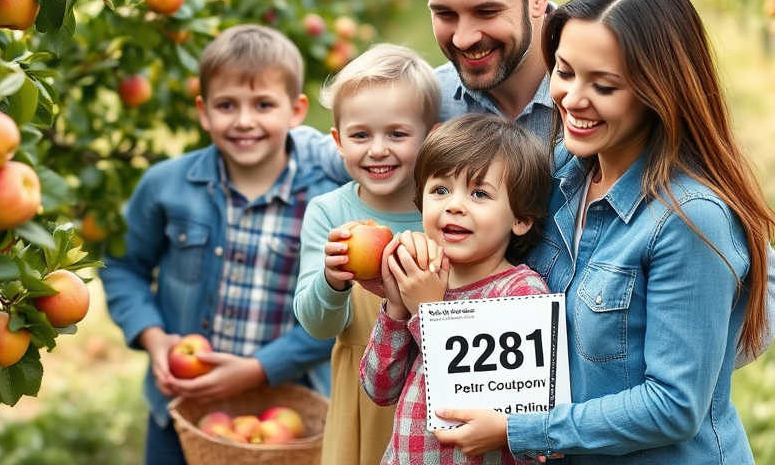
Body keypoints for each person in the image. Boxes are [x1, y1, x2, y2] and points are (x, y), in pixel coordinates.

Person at [413, 0, 775, 367]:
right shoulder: (427, 106)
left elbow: (764, 291)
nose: (465, 37)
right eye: (445, 14)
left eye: (486, 12)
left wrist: (626, 374)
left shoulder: (622, 110)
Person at [433, 0, 775, 464]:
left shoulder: (689, 221)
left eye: (604, 85)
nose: (573, 99)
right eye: (565, 71)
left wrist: (519, 429)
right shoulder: (559, 173)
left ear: (658, 93)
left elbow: (675, 406)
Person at [100, 24, 338, 465]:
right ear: (204, 112)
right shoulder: (166, 186)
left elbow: (343, 308)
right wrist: (154, 339)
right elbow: (124, 266)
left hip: (287, 414)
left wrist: (261, 368)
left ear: (296, 110)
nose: (244, 120)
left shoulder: (328, 201)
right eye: (227, 105)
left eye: (263, 104)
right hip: (180, 406)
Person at [360, 113, 553, 465]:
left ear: (521, 218)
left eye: (479, 193)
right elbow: (379, 388)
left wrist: (427, 313)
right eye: (440, 190)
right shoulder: (420, 279)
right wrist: (396, 307)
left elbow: (512, 415)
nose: (454, 205)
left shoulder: (521, 292)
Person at [293, 43, 442, 465]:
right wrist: (332, 279)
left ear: (429, 137)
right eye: (361, 135)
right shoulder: (330, 215)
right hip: (363, 394)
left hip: (433, 389)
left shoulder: (445, 214)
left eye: (397, 133)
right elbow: (319, 327)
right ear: (339, 141)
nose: (378, 149)